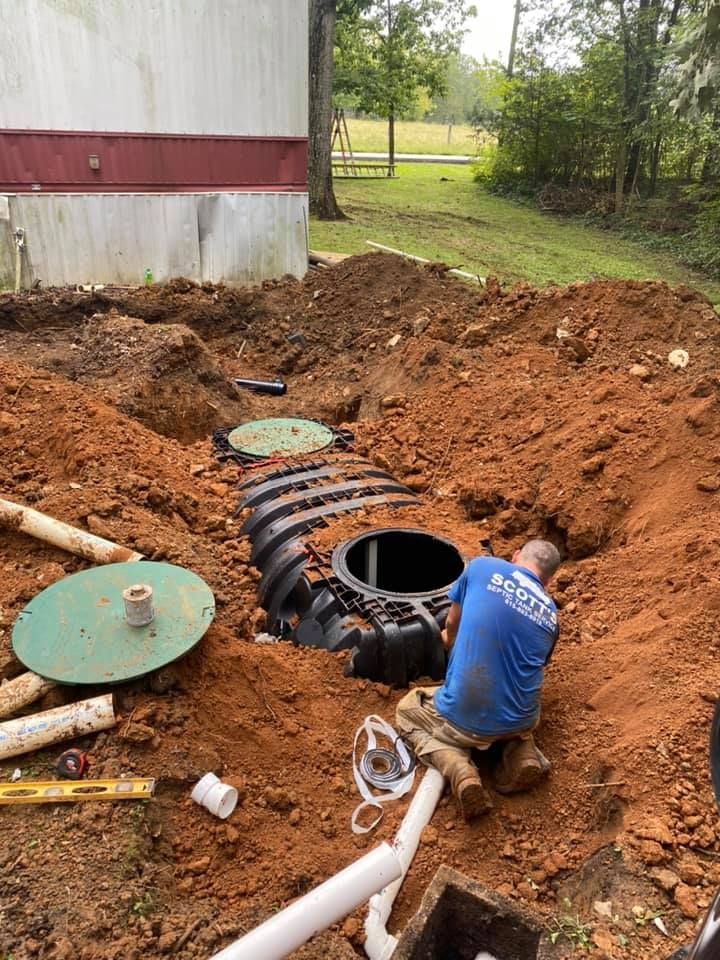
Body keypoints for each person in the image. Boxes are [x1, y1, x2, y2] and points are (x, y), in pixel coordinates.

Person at [396, 539, 561, 820]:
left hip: (464, 717)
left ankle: (459, 769)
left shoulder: (482, 567)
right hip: (522, 719)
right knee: (516, 699)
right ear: (549, 578)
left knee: (407, 710)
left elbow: (451, 625)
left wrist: (450, 643)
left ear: (516, 555)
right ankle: (522, 754)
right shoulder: (551, 615)